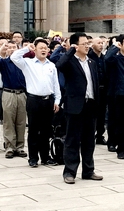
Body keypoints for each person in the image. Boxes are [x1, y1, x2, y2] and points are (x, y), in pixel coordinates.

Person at [55, 32, 103, 184]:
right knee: (72, 140)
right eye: (84, 44)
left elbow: (95, 83)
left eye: (88, 44)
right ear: (76, 45)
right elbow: (59, 65)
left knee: (89, 141)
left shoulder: (91, 62)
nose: (87, 46)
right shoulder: (70, 62)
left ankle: (88, 170)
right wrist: (70, 50)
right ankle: (70, 172)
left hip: (90, 105)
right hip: (75, 107)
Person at [11, 39, 61, 167]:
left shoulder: (51, 65)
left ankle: (45, 157)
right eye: (41, 48)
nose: (43, 50)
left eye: (45, 48)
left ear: (48, 50)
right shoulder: (28, 63)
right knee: (33, 130)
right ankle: (33, 158)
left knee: (46, 130)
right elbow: (14, 57)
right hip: (34, 100)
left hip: (48, 100)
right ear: (35, 50)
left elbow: (56, 85)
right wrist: (27, 48)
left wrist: (57, 100)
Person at [0, 40, 28, 159]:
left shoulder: (24, 62)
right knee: (8, 121)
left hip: (22, 94)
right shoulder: (4, 63)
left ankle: (20, 146)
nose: (12, 49)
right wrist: (2, 47)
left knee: (21, 121)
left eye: (14, 47)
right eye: (9, 47)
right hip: (8, 93)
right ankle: (10, 147)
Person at [88, 37, 107, 145]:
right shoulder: (89, 56)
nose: (101, 45)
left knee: (102, 114)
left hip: (103, 89)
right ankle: (90, 135)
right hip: (93, 89)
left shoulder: (104, 57)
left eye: (102, 43)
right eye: (98, 43)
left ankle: (100, 135)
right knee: (92, 113)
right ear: (92, 45)